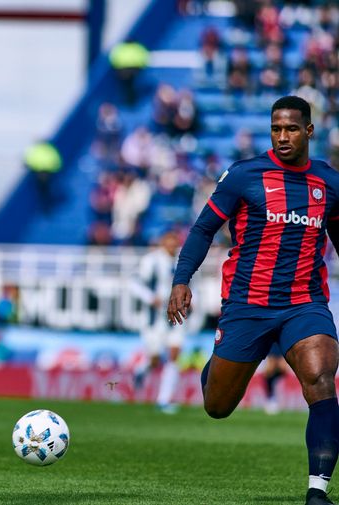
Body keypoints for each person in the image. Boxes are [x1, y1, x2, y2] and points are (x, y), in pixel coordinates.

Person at [168, 95, 339, 505]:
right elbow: (203, 228)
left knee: (321, 377)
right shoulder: (246, 175)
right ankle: (220, 359)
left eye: (291, 129)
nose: (282, 137)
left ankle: (318, 490)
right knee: (217, 406)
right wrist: (181, 280)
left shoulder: (329, 183)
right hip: (247, 306)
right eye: (276, 129)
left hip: (305, 303)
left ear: (309, 131)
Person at [131, 229, 185, 413]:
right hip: (154, 319)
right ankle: (140, 371)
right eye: (169, 242)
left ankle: (164, 400)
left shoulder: (182, 261)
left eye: (174, 242)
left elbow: (194, 285)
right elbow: (135, 283)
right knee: (155, 359)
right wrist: (150, 297)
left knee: (174, 354)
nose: (172, 246)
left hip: (175, 317)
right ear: (163, 242)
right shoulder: (151, 261)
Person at [262, 344, 290, 415]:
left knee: (283, 369)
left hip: (282, 341)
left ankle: (273, 395)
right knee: (269, 370)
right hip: (272, 342)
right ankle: (270, 397)